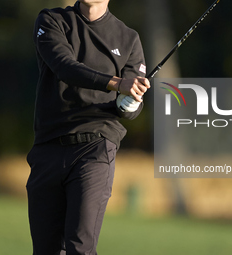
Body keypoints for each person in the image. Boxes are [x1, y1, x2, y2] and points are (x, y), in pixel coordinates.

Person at [26, 0, 150, 254]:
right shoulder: (51, 21)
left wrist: (129, 103)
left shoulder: (128, 38)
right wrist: (117, 84)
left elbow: (132, 110)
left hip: (95, 147)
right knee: (45, 250)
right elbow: (65, 67)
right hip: (48, 147)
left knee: (80, 248)